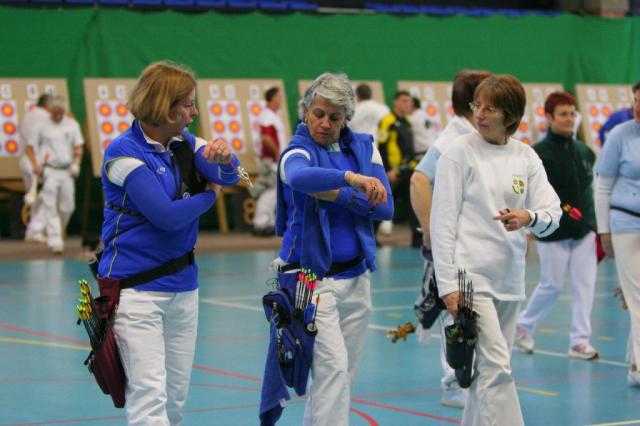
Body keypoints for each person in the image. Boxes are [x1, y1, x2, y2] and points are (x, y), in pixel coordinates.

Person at [97, 61, 242, 425]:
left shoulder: (184, 142)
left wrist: (226, 159)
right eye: (188, 104)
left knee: (174, 402)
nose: (194, 112)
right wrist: (210, 196)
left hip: (183, 288)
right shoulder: (123, 153)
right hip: (136, 293)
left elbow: (231, 175)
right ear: (165, 107)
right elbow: (165, 216)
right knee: (149, 398)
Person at [431, 74, 562, 426]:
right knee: (497, 368)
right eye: (478, 105)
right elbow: (441, 223)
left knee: (486, 373)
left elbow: (552, 213)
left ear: (511, 115)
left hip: (509, 279)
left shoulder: (526, 156)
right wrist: (448, 285)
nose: (480, 114)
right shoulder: (458, 153)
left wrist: (529, 216)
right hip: (470, 279)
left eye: (490, 108)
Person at [274, 72, 393, 425]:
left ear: (346, 119)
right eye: (319, 114)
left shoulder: (365, 146)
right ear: (305, 112)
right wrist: (351, 181)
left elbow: (385, 208)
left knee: (343, 377)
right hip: (311, 280)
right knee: (333, 371)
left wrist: (337, 196)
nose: (325, 123)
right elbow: (300, 177)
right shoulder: (296, 150)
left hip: (357, 276)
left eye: (335, 117)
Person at [410, 69, 491, 409]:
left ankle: (468, 378)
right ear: (474, 103)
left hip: (477, 241)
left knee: (469, 311)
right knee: (455, 311)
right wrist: (431, 230)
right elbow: (418, 180)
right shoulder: (452, 138)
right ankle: (452, 382)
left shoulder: (476, 135)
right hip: (454, 243)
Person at [515, 92, 599, 359]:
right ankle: (524, 326)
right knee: (551, 284)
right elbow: (529, 194)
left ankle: (580, 341)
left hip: (584, 230)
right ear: (549, 117)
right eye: (563, 114)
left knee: (585, 285)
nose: (569, 119)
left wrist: (598, 226)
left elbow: (591, 191)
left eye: (572, 114)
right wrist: (529, 228)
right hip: (552, 231)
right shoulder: (537, 154)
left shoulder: (585, 152)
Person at [595, 79, 640, 387]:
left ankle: (634, 359)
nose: (638, 107)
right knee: (637, 297)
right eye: (636, 100)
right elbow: (603, 187)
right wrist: (604, 232)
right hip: (625, 223)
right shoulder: (619, 136)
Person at [24, 95, 83, 253]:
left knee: (68, 207)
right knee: (50, 206)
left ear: (64, 111)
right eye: (54, 112)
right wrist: (35, 164)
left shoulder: (72, 125)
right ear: (50, 110)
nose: (57, 115)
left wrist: (76, 163)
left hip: (67, 171)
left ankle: (58, 230)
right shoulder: (41, 125)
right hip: (49, 170)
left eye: (60, 112)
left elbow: (78, 147)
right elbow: (29, 147)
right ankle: (55, 241)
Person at [378, 90, 419, 246]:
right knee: (380, 202)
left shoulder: (407, 122)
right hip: (392, 172)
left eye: (409, 101)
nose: (407, 104)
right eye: (403, 100)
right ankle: (370, 236)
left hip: (406, 170)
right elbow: (382, 147)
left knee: (414, 202)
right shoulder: (387, 121)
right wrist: (388, 170)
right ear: (396, 102)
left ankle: (417, 238)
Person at [251, 86, 286, 236]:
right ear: (273, 98)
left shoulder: (271, 115)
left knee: (273, 190)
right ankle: (261, 223)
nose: (281, 99)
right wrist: (277, 154)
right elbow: (266, 138)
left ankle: (269, 222)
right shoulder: (267, 116)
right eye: (279, 96)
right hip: (270, 159)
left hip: (271, 159)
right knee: (270, 190)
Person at [19, 93, 52, 243]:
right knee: (48, 196)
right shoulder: (46, 117)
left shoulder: (28, 115)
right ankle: (35, 231)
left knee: (35, 198)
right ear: (48, 105)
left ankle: (34, 231)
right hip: (37, 162)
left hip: (25, 161)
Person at [349, 83, 389, 147]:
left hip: (360, 146)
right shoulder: (384, 109)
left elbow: (348, 129)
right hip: (380, 146)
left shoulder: (353, 111)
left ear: (357, 95)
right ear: (370, 94)